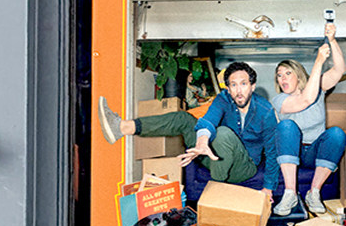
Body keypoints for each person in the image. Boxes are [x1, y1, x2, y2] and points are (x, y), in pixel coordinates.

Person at [98, 60, 278, 210]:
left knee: (223, 133)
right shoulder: (223, 99)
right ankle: (122, 127)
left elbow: (272, 152)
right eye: (233, 85)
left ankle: (215, 195)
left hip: (242, 167)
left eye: (244, 84)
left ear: (252, 86)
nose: (239, 90)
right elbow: (208, 120)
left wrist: (268, 189)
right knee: (184, 118)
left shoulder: (265, 111)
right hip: (210, 153)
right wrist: (201, 142)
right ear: (228, 88)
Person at [270, 17, 346, 217]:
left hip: (315, 152)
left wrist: (332, 40)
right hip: (293, 152)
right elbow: (306, 100)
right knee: (286, 126)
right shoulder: (280, 100)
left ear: (299, 75)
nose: (283, 78)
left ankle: (313, 193)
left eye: (288, 73)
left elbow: (340, 69)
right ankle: (290, 194)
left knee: (337, 134)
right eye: (279, 75)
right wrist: (318, 61)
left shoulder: (318, 87)